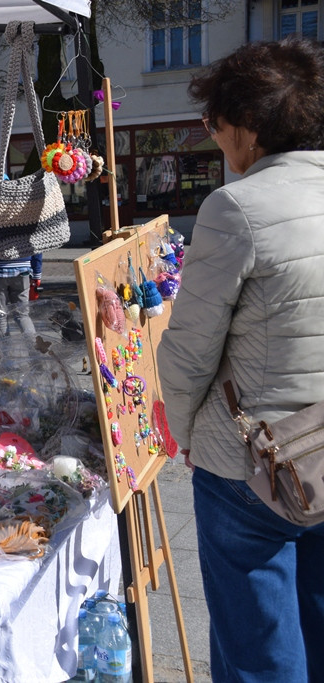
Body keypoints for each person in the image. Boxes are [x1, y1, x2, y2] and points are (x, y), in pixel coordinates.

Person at [157, 37, 324, 682]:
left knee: (258, 644)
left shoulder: (239, 207)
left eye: (215, 124)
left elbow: (189, 351)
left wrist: (182, 432)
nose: (217, 138)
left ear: (248, 128)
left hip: (259, 461)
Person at [0, 172, 40, 338]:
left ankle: (8, 360)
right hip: (23, 270)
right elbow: (36, 240)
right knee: (22, 315)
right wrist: (37, 270)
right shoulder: (23, 208)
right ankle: (35, 351)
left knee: (0, 315)